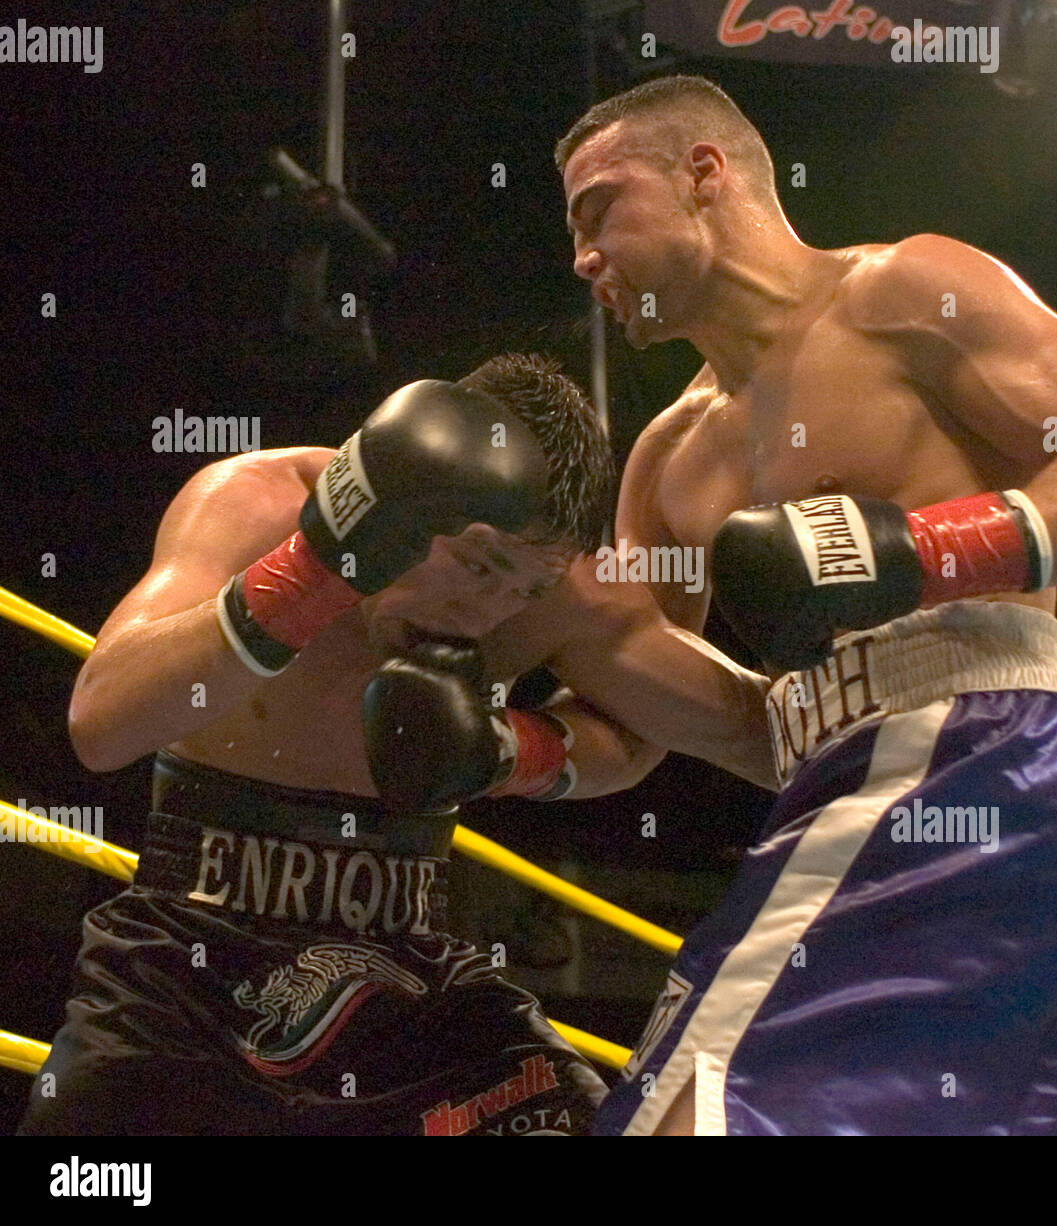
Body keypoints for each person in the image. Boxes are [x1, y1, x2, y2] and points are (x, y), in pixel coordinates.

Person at [552, 74, 1057, 1135]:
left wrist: (916, 550)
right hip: (858, 785)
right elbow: (635, 710)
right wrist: (509, 747)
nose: (585, 257)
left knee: (692, 1111)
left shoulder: (902, 294)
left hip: (975, 760)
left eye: (600, 212)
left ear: (702, 175)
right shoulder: (668, 463)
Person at [20, 353, 772, 1136]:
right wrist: (316, 568)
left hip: (406, 977)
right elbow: (101, 722)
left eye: (522, 589)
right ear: (403, 494)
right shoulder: (260, 504)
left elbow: (703, 734)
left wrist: (513, 749)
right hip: (185, 973)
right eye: (477, 563)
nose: (483, 613)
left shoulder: (561, 595)